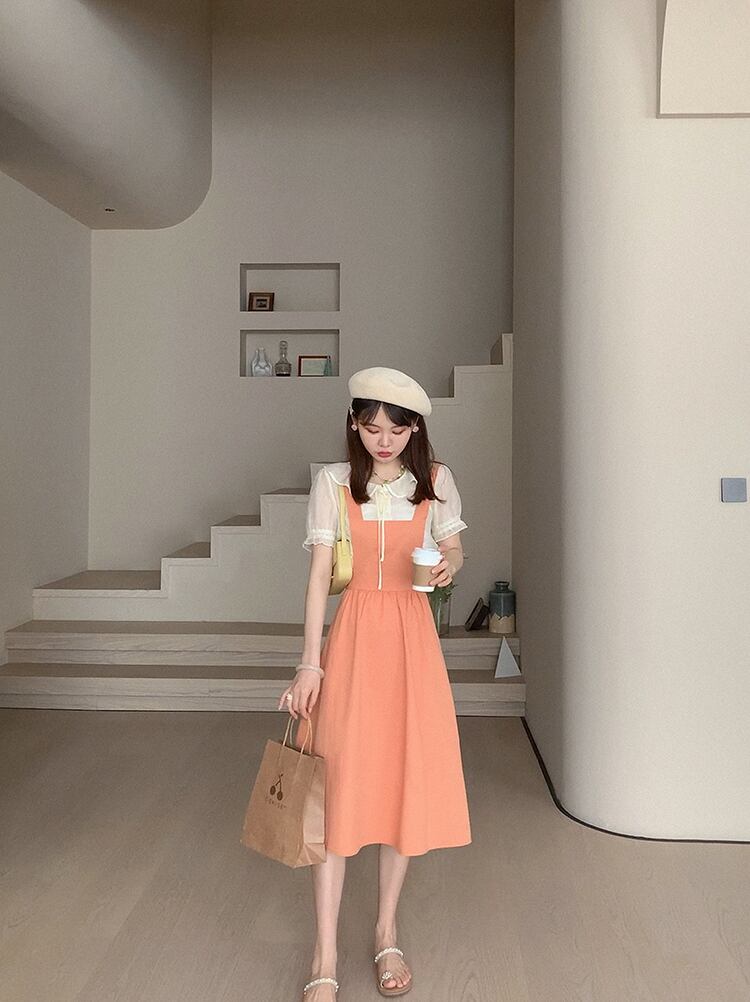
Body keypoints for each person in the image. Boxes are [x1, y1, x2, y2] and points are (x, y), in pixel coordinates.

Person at [278, 366, 472, 1001]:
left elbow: (454, 549)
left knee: (401, 784)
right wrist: (310, 663)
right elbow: (318, 578)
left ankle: (387, 930)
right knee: (336, 791)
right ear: (354, 426)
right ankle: (325, 952)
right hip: (355, 639)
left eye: (395, 429)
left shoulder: (435, 481)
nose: (383, 441)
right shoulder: (334, 484)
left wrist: (448, 566)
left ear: (414, 428)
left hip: (414, 643)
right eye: (370, 428)